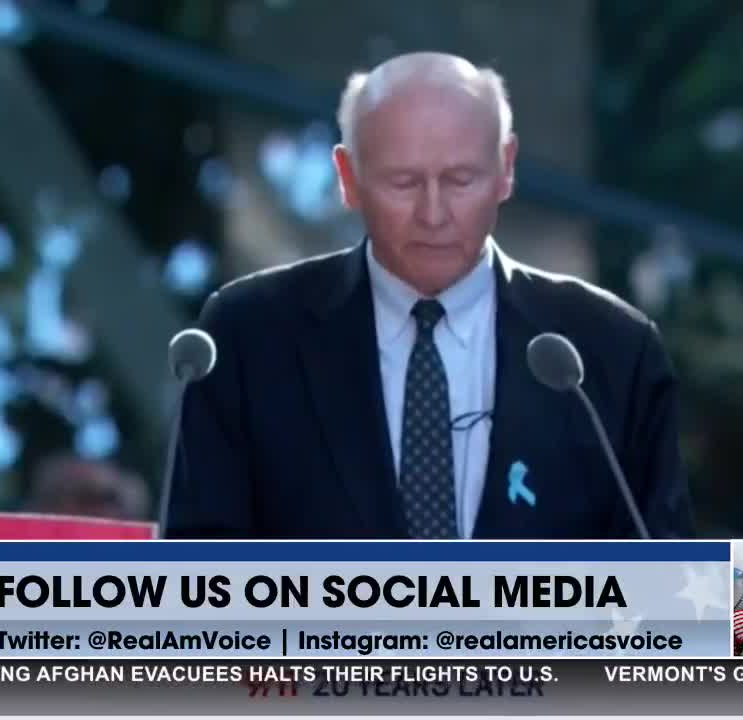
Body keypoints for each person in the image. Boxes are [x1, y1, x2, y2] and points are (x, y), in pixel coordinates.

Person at [166, 52, 693, 539]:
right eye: (403, 182)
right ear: (348, 177)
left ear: (506, 168)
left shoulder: (612, 350)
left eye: (461, 179)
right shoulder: (247, 336)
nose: (434, 214)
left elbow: (685, 602)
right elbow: (187, 588)